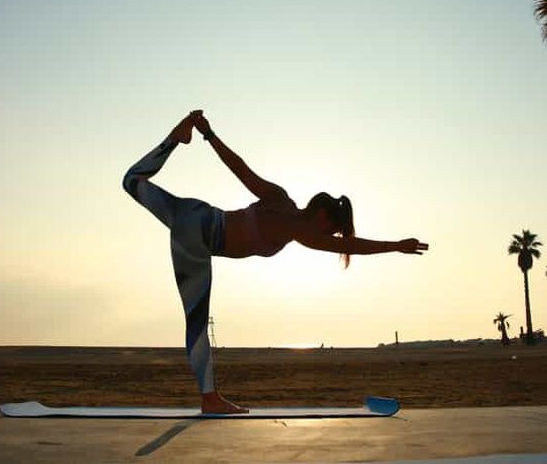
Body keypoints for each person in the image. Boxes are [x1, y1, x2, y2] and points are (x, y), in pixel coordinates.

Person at [122, 110, 429, 413]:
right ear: (322, 216)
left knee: (132, 181)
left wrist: (209, 134)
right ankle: (210, 398)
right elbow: (350, 245)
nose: (330, 236)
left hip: (196, 213)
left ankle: (175, 137)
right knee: (197, 320)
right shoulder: (297, 227)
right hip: (200, 236)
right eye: (331, 228)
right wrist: (394, 246)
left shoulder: (279, 198)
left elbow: (241, 169)